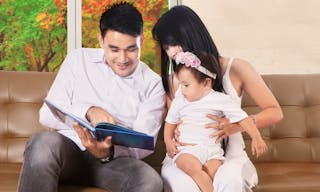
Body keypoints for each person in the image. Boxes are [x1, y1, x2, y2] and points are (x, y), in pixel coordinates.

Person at [18, 2, 165, 192]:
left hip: (114, 163)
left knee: (150, 181)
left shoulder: (152, 84)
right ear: (101, 40)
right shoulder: (78, 60)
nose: (122, 59)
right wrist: (88, 112)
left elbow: (145, 144)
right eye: (114, 49)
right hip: (68, 153)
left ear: (141, 41)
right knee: (42, 143)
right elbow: (46, 115)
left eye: (131, 49)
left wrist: (108, 151)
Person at [152, 5, 283, 192]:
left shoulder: (237, 68)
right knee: (184, 187)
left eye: (174, 43)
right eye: (166, 47)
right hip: (185, 155)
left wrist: (235, 126)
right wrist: (173, 135)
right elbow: (173, 121)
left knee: (230, 183)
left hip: (229, 158)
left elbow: (275, 111)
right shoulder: (176, 81)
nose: (171, 52)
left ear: (190, 35)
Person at [164, 51, 267, 192]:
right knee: (190, 167)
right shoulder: (180, 99)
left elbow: (242, 118)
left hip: (213, 152)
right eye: (181, 84)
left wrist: (256, 137)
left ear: (206, 83)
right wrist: (168, 142)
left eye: (186, 85)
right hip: (187, 150)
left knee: (210, 174)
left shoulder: (220, 99)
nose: (182, 89)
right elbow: (170, 121)